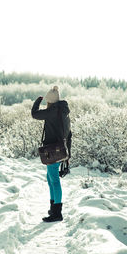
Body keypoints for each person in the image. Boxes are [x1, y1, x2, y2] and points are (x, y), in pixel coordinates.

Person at [31, 86, 72, 222]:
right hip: (60, 150)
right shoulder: (64, 113)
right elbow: (69, 135)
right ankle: (53, 207)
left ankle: (57, 213)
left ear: (50, 101)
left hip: (53, 151)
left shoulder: (53, 111)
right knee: (50, 179)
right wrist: (68, 157)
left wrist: (37, 101)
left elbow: (35, 114)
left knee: (54, 181)